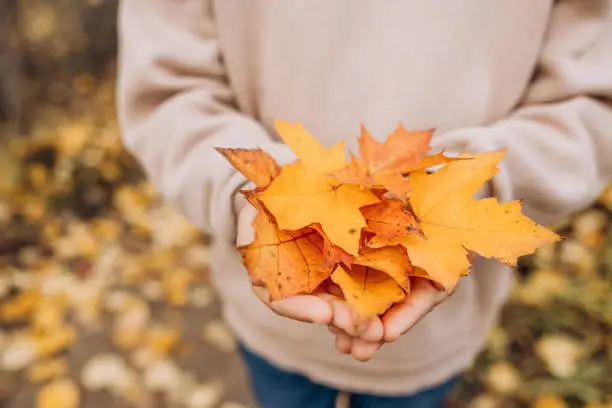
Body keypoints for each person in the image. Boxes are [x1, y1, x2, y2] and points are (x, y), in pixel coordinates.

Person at [116, 1, 612, 407]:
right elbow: (170, 90)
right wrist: (250, 198)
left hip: (436, 329)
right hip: (271, 309)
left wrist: (467, 184)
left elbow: (593, 102)